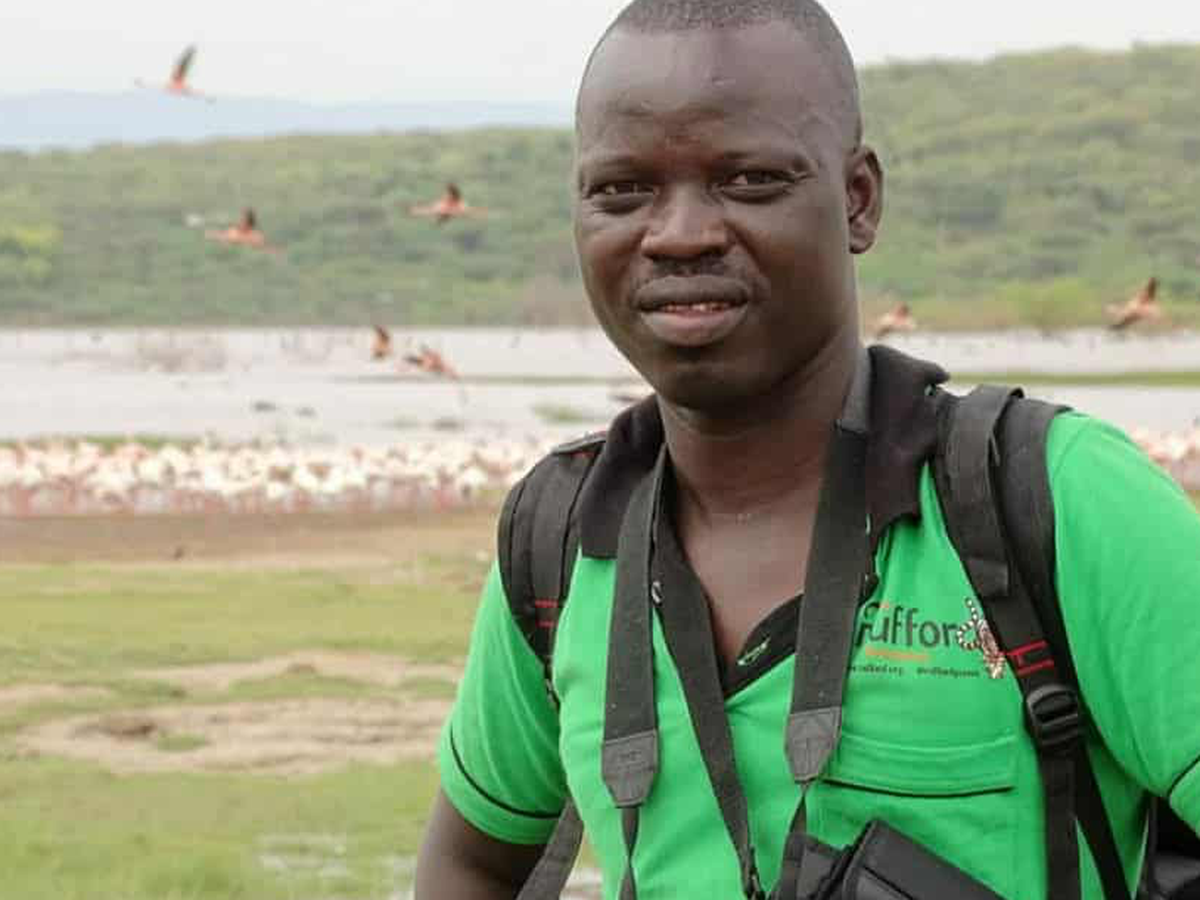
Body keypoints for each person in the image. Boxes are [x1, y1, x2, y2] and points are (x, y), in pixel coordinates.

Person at [414, 2, 1200, 898]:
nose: (678, 234)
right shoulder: (564, 536)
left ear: (858, 199)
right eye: (622, 191)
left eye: (748, 180)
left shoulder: (1052, 499)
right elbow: (473, 862)